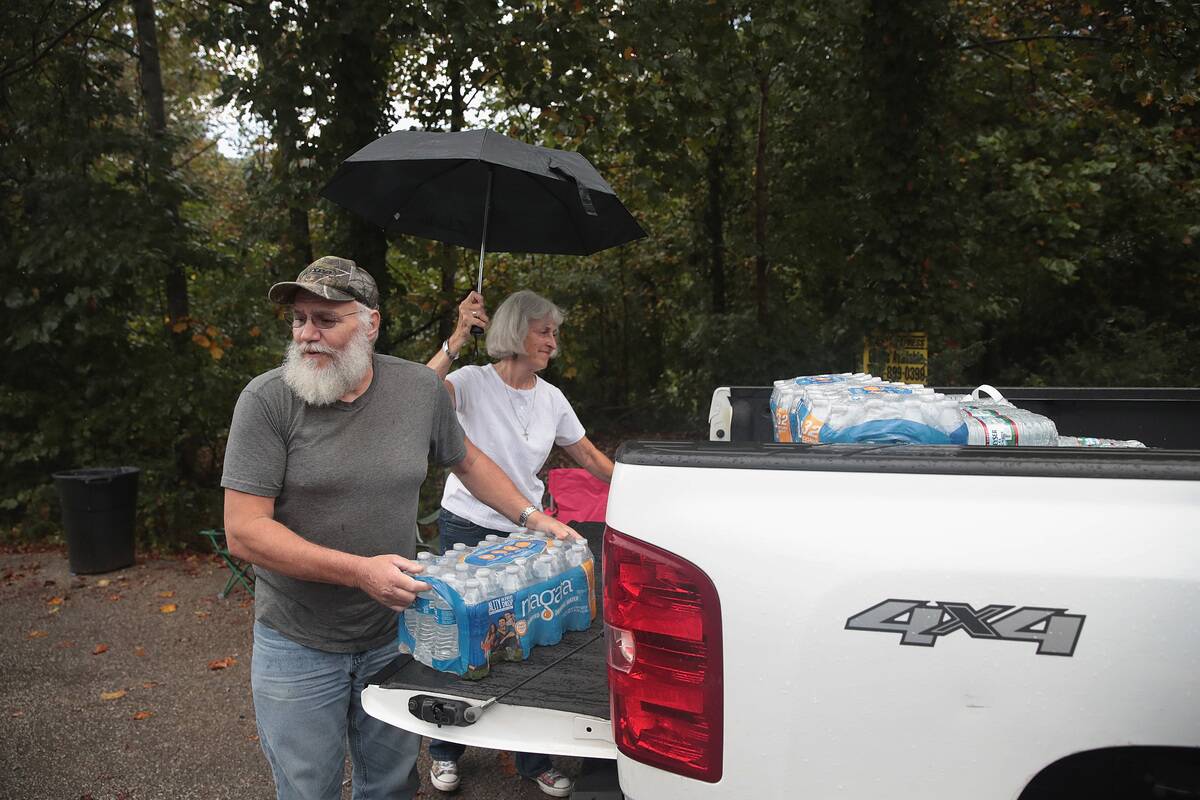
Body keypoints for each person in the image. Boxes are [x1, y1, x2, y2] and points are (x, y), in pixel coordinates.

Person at [221, 257, 579, 800]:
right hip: (297, 641)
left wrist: (532, 516)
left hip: (398, 633)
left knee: (389, 784)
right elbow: (245, 532)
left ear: (370, 323)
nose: (307, 335)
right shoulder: (267, 400)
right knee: (307, 788)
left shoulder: (417, 389)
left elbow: (468, 461)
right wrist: (358, 571)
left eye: (326, 319)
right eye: (299, 320)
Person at [423, 289, 614, 798]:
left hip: (527, 533)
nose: (554, 341)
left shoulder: (551, 397)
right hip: (467, 526)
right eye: (544, 331)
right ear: (515, 332)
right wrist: (458, 336)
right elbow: (419, 394)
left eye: (555, 332)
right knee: (466, 639)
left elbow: (591, 458)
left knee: (523, 642)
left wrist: (639, 488)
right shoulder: (469, 382)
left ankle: (533, 759)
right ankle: (444, 751)